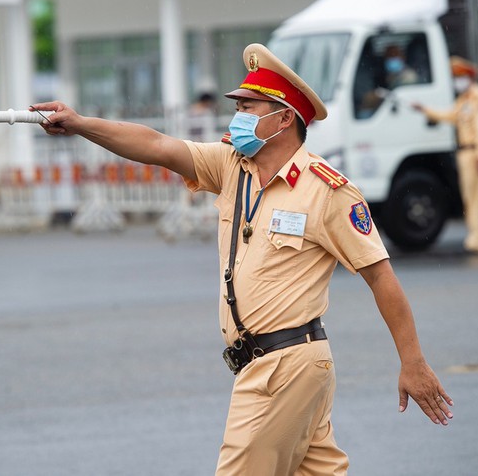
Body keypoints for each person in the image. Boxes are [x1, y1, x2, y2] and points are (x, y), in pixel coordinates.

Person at [31, 43, 453, 475]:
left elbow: (381, 277)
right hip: (268, 365)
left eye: (249, 106)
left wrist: (413, 362)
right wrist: (82, 124)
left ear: (284, 117)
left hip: (285, 366)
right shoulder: (234, 166)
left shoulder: (327, 191)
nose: (238, 116)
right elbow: (156, 144)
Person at [412, 56, 478, 254]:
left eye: (459, 76)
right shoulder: (464, 100)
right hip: (466, 152)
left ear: (469, 76)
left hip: (475, 152)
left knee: (473, 198)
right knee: (476, 197)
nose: (457, 80)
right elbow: (451, 116)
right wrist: (425, 110)